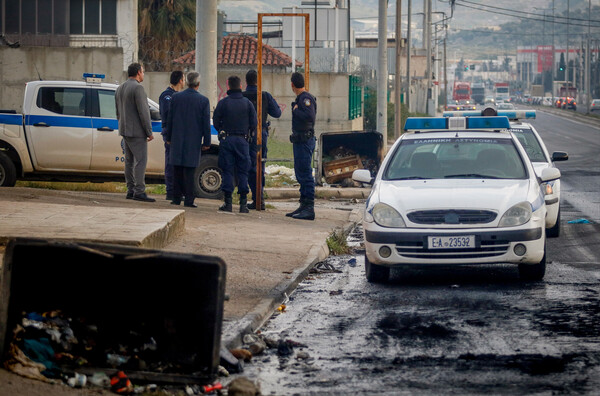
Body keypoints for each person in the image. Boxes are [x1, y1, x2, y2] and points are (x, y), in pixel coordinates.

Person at [164, 72, 211, 208]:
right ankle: (189, 200)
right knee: (190, 171)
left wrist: (168, 137)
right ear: (198, 84)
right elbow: (205, 124)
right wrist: (207, 142)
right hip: (193, 140)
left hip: (177, 139)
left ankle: (176, 198)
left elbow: (170, 119)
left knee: (177, 169)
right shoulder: (203, 100)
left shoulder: (176, 98)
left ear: (188, 82)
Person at [213, 75, 257, 213]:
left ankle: (228, 203)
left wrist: (221, 130)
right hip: (243, 141)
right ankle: (243, 204)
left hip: (227, 140)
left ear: (228, 87)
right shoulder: (247, 103)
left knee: (228, 171)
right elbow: (254, 123)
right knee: (243, 171)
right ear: (240, 86)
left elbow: (215, 121)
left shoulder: (223, 103)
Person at [115, 62, 155, 202]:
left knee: (129, 162)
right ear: (138, 72)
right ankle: (139, 191)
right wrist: (149, 132)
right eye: (143, 71)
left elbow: (118, 112)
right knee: (141, 161)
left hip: (124, 130)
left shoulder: (120, 88)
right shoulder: (138, 88)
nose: (143, 74)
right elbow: (144, 113)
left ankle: (130, 190)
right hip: (137, 132)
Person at [242, 69, 282, 210]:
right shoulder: (264, 96)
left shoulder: (242, 96)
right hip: (261, 134)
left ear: (246, 81)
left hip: (245, 136)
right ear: (258, 81)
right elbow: (277, 113)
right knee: (259, 165)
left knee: (246, 165)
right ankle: (260, 198)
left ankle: (250, 197)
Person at [286, 72, 317, 220]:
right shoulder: (301, 98)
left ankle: (309, 208)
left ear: (292, 84)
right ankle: (303, 205)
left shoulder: (305, 98)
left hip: (305, 141)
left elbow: (310, 116)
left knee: (305, 174)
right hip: (299, 141)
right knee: (300, 173)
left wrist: (296, 110)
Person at [159, 70, 185, 201]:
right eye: (183, 79)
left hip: (178, 133)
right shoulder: (167, 96)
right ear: (180, 80)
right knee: (170, 163)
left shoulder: (177, 95)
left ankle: (177, 190)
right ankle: (170, 191)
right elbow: (168, 116)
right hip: (170, 133)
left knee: (177, 164)